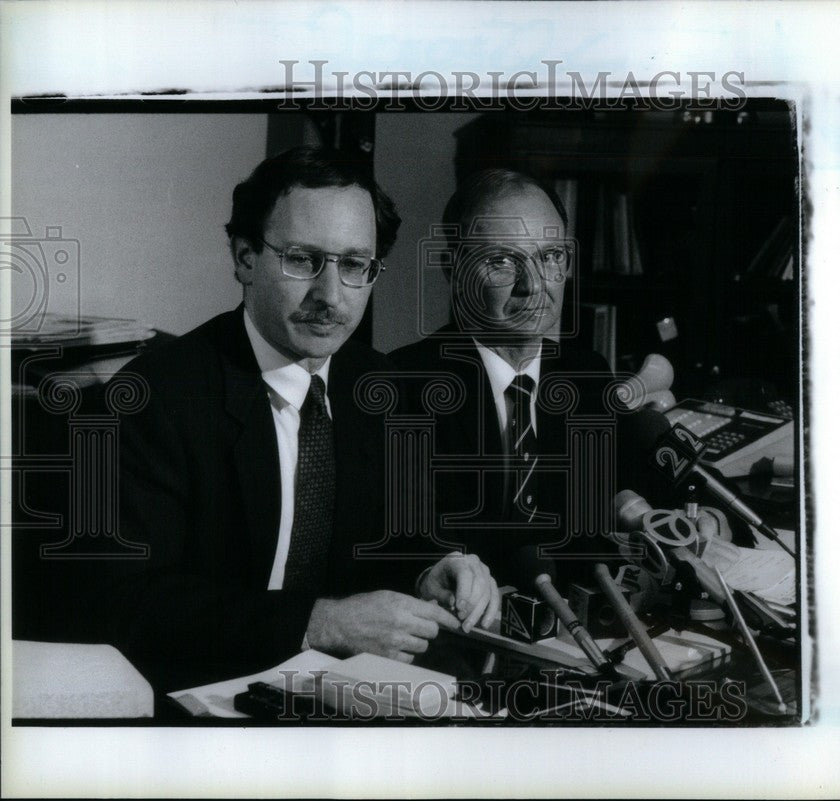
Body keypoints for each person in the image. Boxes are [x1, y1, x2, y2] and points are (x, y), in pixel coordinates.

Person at [105, 147, 498, 692]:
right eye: (301, 259)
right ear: (245, 258)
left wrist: (433, 569)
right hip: (202, 702)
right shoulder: (152, 396)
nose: (330, 296)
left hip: (344, 698)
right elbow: (125, 601)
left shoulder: (382, 387)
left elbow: (397, 538)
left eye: (355, 265)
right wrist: (320, 623)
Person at [390, 168, 619, 593]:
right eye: (501, 261)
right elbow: (406, 552)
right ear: (452, 270)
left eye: (550, 256)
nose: (533, 285)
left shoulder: (586, 375)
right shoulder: (402, 387)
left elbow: (620, 501)